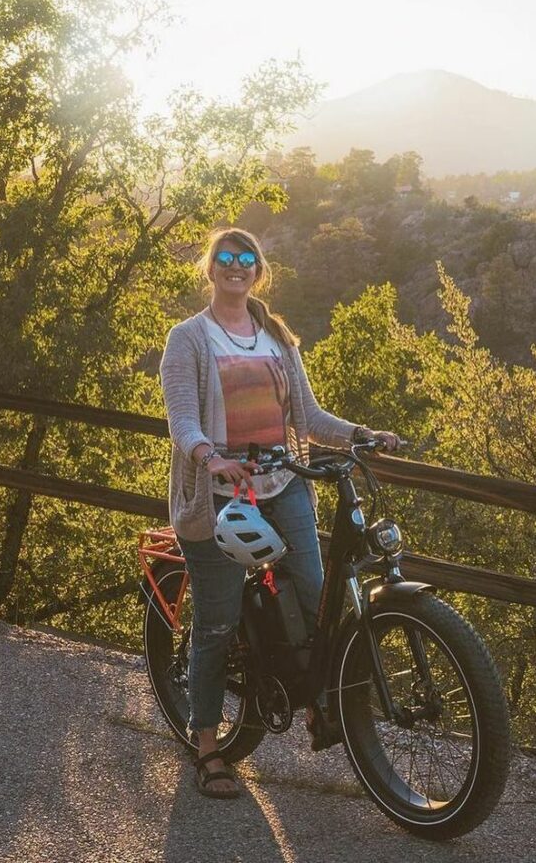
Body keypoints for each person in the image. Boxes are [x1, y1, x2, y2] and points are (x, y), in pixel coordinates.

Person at [159, 226, 400, 799]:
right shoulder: (188, 339)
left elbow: (310, 419)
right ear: (210, 269)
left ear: (258, 271)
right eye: (225, 257)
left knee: (319, 598)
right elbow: (182, 420)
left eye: (247, 258)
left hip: (283, 483)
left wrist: (362, 434)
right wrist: (209, 458)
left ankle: (318, 700)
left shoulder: (277, 337)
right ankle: (209, 746)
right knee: (215, 623)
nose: (235, 266)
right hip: (217, 494)